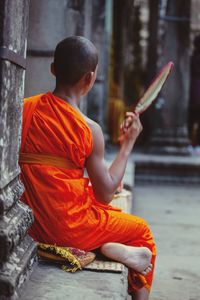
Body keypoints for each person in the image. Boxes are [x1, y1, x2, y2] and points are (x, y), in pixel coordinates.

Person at [19, 36, 156, 300]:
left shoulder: (24, 109)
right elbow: (106, 192)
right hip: (69, 227)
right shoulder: (89, 129)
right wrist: (128, 145)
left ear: (53, 69)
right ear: (90, 79)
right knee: (142, 232)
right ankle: (110, 249)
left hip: (31, 223)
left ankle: (107, 247)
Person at [188, 34, 200, 154]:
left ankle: (190, 144)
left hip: (192, 95)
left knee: (191, 120)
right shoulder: (191, 59)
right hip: (195, 95)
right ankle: (197, 145)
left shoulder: (191, 59)